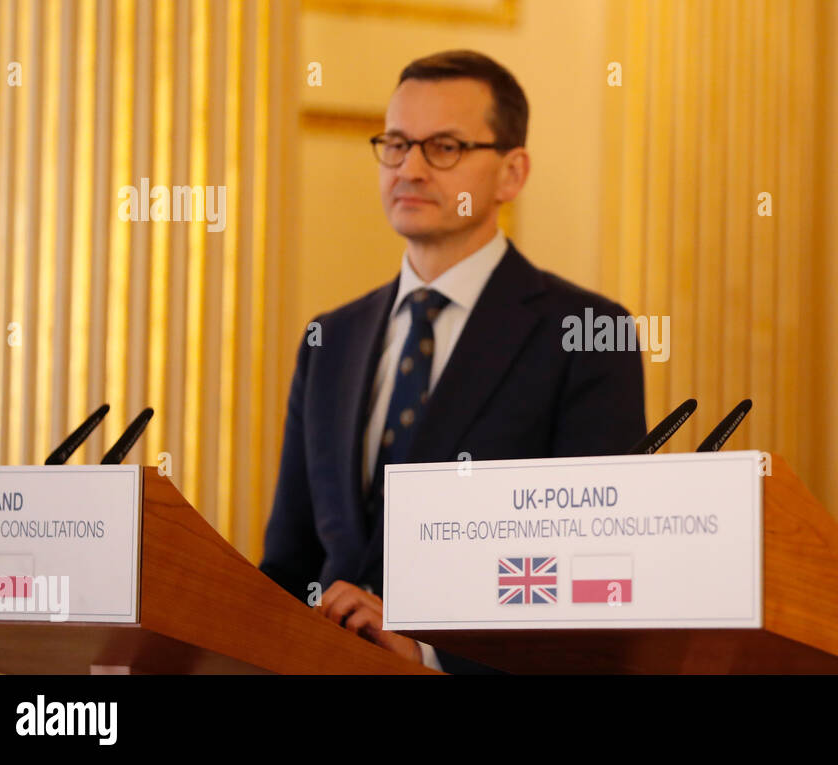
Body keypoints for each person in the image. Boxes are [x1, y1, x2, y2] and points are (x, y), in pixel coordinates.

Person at [259, 50, 646, 670]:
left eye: (443, 147)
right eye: (395, 143)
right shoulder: (329, 339)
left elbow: (594, 578)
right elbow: (289, 562)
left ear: (512, 173)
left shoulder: (590, 334)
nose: (409, 168)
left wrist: (433, 652)